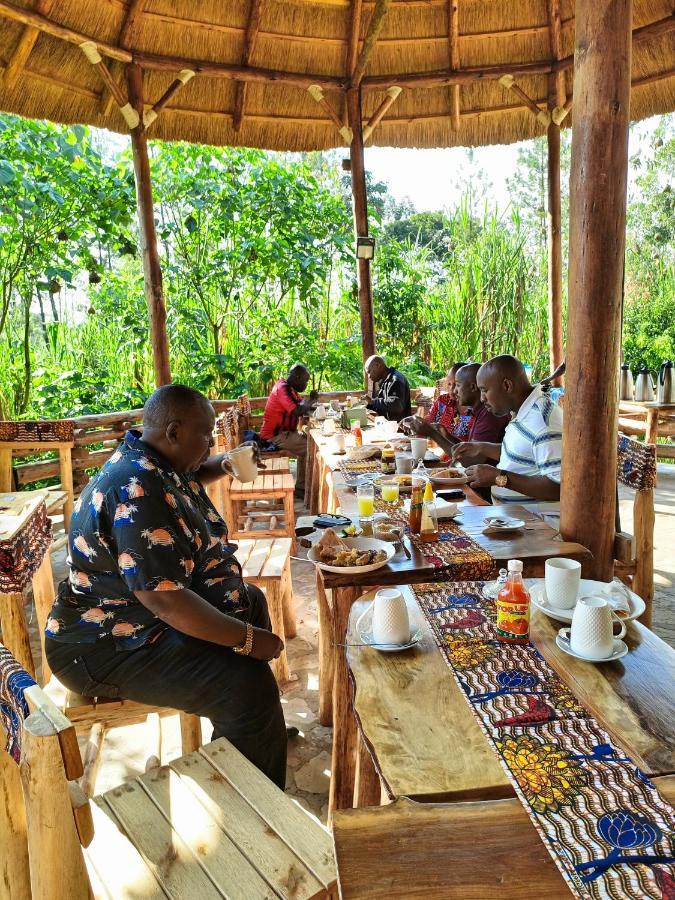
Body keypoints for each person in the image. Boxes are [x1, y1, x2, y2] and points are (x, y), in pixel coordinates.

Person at [45, 385, 288, 789]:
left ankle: (253, 734)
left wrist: (223, 463)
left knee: (251, 601)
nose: (210, 442)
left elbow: (191, 472)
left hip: (137, 624)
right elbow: (166, 601)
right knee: (249, 688)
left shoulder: (153, 458)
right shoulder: (138, 488)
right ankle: (255, 772)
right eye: (206, 435)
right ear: (174, 431)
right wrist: (248, 640)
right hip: (103, 646)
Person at [452, 355, 562, 506]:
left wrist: (499, 477)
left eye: (484, 390)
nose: (482, 398)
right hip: (512, 519)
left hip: (539, 524)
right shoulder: (523, 411)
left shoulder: (543, 422)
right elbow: (523, 453)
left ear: (507, 386)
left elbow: (559, 487)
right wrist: (481, 448)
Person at [403, 363, 509, 454]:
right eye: (449, 384)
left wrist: (433, 434)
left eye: (457, 385)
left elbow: (469, 459)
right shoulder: (476, 410)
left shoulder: (488, 413)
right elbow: (468, 449)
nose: (454, 391)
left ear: (473, 387)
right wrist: (446, 434)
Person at [260, 364, 317, 489]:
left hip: (285, 434)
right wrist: (312, 400)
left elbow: (301, 405)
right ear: (297, 377)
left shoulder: (290, 389)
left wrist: (310, 404)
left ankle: (302, 486)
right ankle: (303, 487)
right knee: (312, 447)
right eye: (305, 381)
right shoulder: (282, 389)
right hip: (274, 436)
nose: (306, 385)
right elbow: (297, 410)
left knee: (310, 443)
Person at [364, 355, 412, 422]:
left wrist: (373, 401)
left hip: (401, 428)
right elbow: (384, 404)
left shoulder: (395, 379)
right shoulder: (386, 380)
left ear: (377, 365)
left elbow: (397, 405)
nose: (369, 376)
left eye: (369, 372)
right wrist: (366, 406)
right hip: (390, 427)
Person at [425, 362, 466, 432]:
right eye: (449, 384)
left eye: (457, 385)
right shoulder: (442, 401)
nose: (452, 389)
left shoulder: (474, 411)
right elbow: (428, 421)